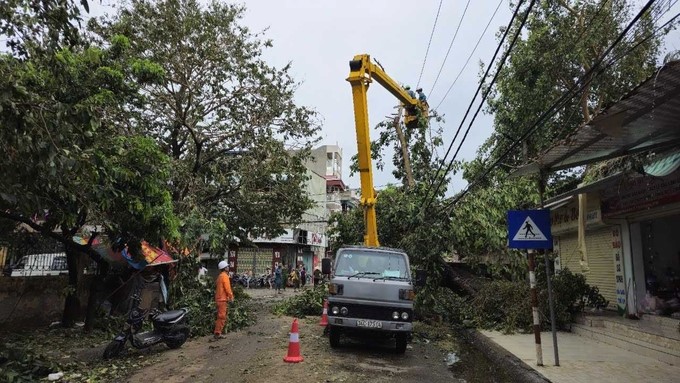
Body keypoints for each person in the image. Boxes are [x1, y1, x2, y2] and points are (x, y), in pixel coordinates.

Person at [213, 260, 234, 340]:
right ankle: (217, 333)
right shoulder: (225, 276)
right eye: (227, 266)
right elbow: (227, 289)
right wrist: (231, 297)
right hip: (222, 300)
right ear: (224, 268)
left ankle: (218, 332)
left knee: (220, 316)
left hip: (218, 299)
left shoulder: (220, 276)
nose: (228, 267)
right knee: (222, 317)